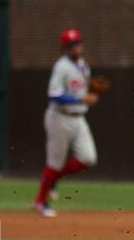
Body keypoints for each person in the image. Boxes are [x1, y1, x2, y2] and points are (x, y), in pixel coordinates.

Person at [34, 29, 98, 217]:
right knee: (54, 162)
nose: (76, 47)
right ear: (65, 48)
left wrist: (91, 90)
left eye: (78, 43)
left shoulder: (83, 64)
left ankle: (54, 179)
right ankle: (40, 202)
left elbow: (79, 89)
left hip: (79, 118)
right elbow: (53, 94)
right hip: (59, 117)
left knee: (88, 158)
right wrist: (81, 100)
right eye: (72, 45)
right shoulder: (61, 66)